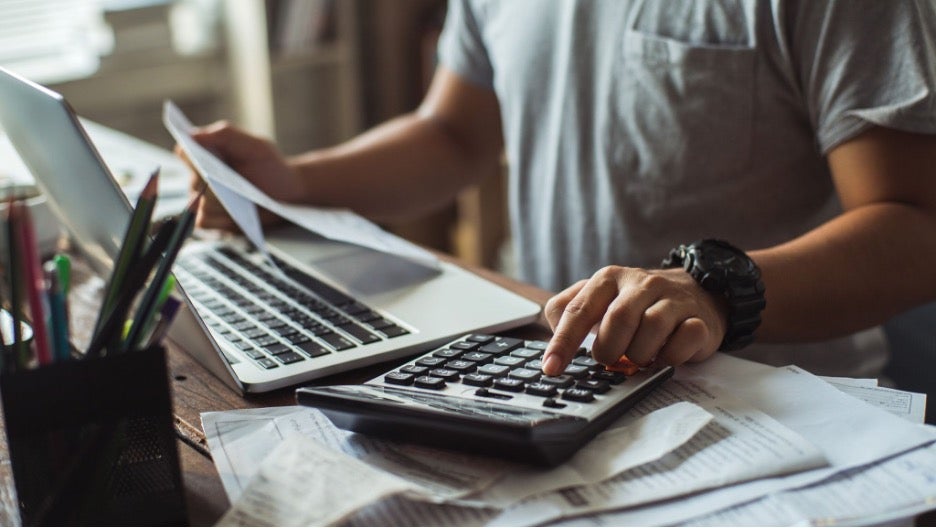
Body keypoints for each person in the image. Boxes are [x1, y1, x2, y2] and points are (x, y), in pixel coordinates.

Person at [184, 0, 936, 380]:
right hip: (557, 378)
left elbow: (913, 225)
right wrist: (294, 182)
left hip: (772, 414)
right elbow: (455, 133)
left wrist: (713, 289)